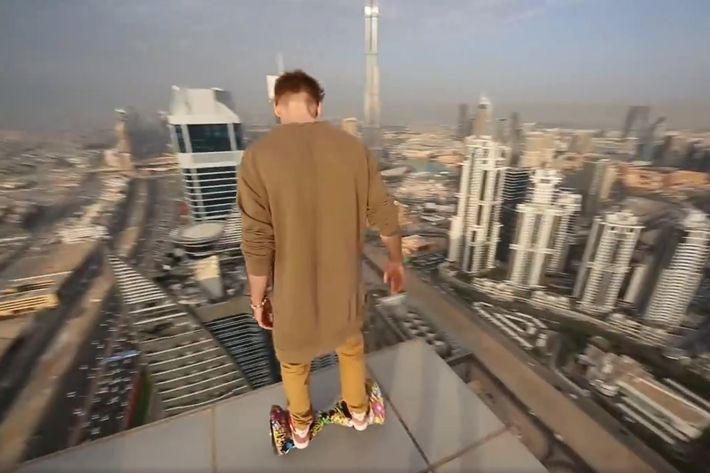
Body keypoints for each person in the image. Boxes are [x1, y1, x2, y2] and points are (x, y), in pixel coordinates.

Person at [237, 70, 403, 449]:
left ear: (277, 106)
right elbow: (383, 210)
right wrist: (395, 259)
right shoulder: (352, 149)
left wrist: (258, 298)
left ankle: (300, 428)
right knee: (350, 344)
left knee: (294, 361)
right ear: (318, 106)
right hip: (343, 286)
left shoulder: (257, 158)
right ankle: (359, 413)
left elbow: (257, 239)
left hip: (292, 294)